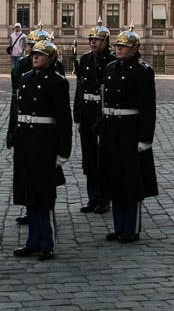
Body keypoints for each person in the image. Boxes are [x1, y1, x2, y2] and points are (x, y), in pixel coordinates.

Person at [8, 38, 72, 261]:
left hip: (45, 142)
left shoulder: (57, 82)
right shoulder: (25, 78)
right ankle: (32, 241)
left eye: (40, 54)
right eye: (34, 53)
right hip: (26, 140)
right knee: (29, 193)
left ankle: (47, 242)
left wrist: (63, 151)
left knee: (43, 195)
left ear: (51, 58)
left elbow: (64, 120)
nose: (35, 57)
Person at [98, 28, 158, 244]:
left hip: (130, 130)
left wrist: (146, 138)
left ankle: (131, 228)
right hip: (111, 129)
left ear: (134, 49)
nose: (119, 49)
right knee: (114, 179)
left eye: (123, 46)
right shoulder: (110, 68)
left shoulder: (142, 71)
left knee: (131, 182)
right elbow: (104, 100)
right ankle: (119, 226)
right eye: (118, 46)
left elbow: (148, 108)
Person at [9, 25, 64, 226]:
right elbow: (16, 100)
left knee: (45, 180)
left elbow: (60, 110)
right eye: (31, 46)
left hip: (44, 132)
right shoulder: (24, 67)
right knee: (26, 176)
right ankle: (30, 211)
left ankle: (44, 215)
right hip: (26, 130)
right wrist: (12, 131)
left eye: (37, 47)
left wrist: (62, 147)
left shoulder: (55, 72)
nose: (33, 51)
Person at [73, 20, 115, 215]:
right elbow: (80, 87)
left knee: (104, 156)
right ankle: (93, 197)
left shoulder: (112, 61)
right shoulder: (85, 59)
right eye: (91, 39)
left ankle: (105, 197)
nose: (93, 42)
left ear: (105, 41)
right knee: (89, 156)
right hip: (88, 110)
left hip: (103, 110)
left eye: (97, 39)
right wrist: (77, 111)